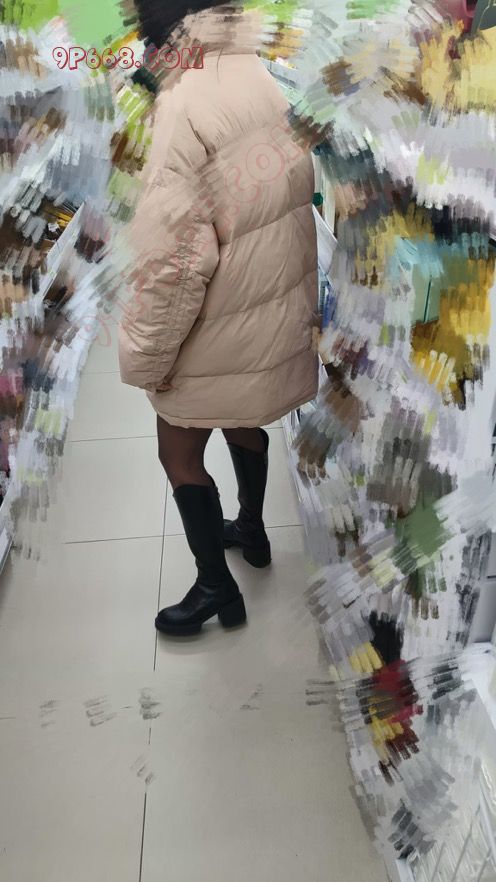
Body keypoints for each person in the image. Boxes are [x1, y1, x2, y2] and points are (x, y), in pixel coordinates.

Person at [118, 0, 319, 636]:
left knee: (177, 450)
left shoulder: (181, 103)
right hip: (261, 304)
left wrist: (149, 356)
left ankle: (215, 589)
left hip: (215, 317)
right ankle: (253, 531)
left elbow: (175, 259)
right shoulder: (255, 74)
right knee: (242, 416)